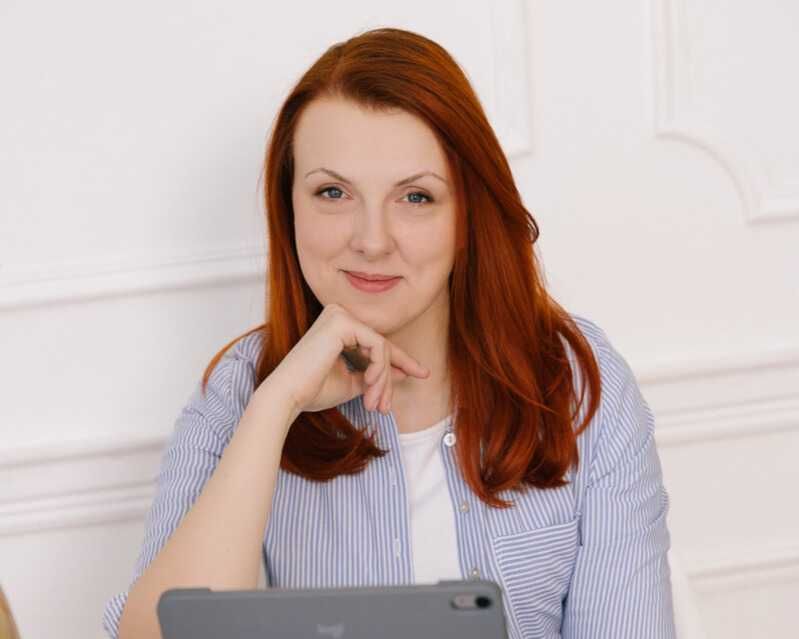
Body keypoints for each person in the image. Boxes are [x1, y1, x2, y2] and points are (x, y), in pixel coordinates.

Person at [103, 27, 676, 639]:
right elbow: (159, 634)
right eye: (332, 192)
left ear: (467, 215)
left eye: (416, 197)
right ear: (288, 208)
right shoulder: (243, 389)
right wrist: (275, 407)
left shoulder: (578, 381)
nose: (372, 240)